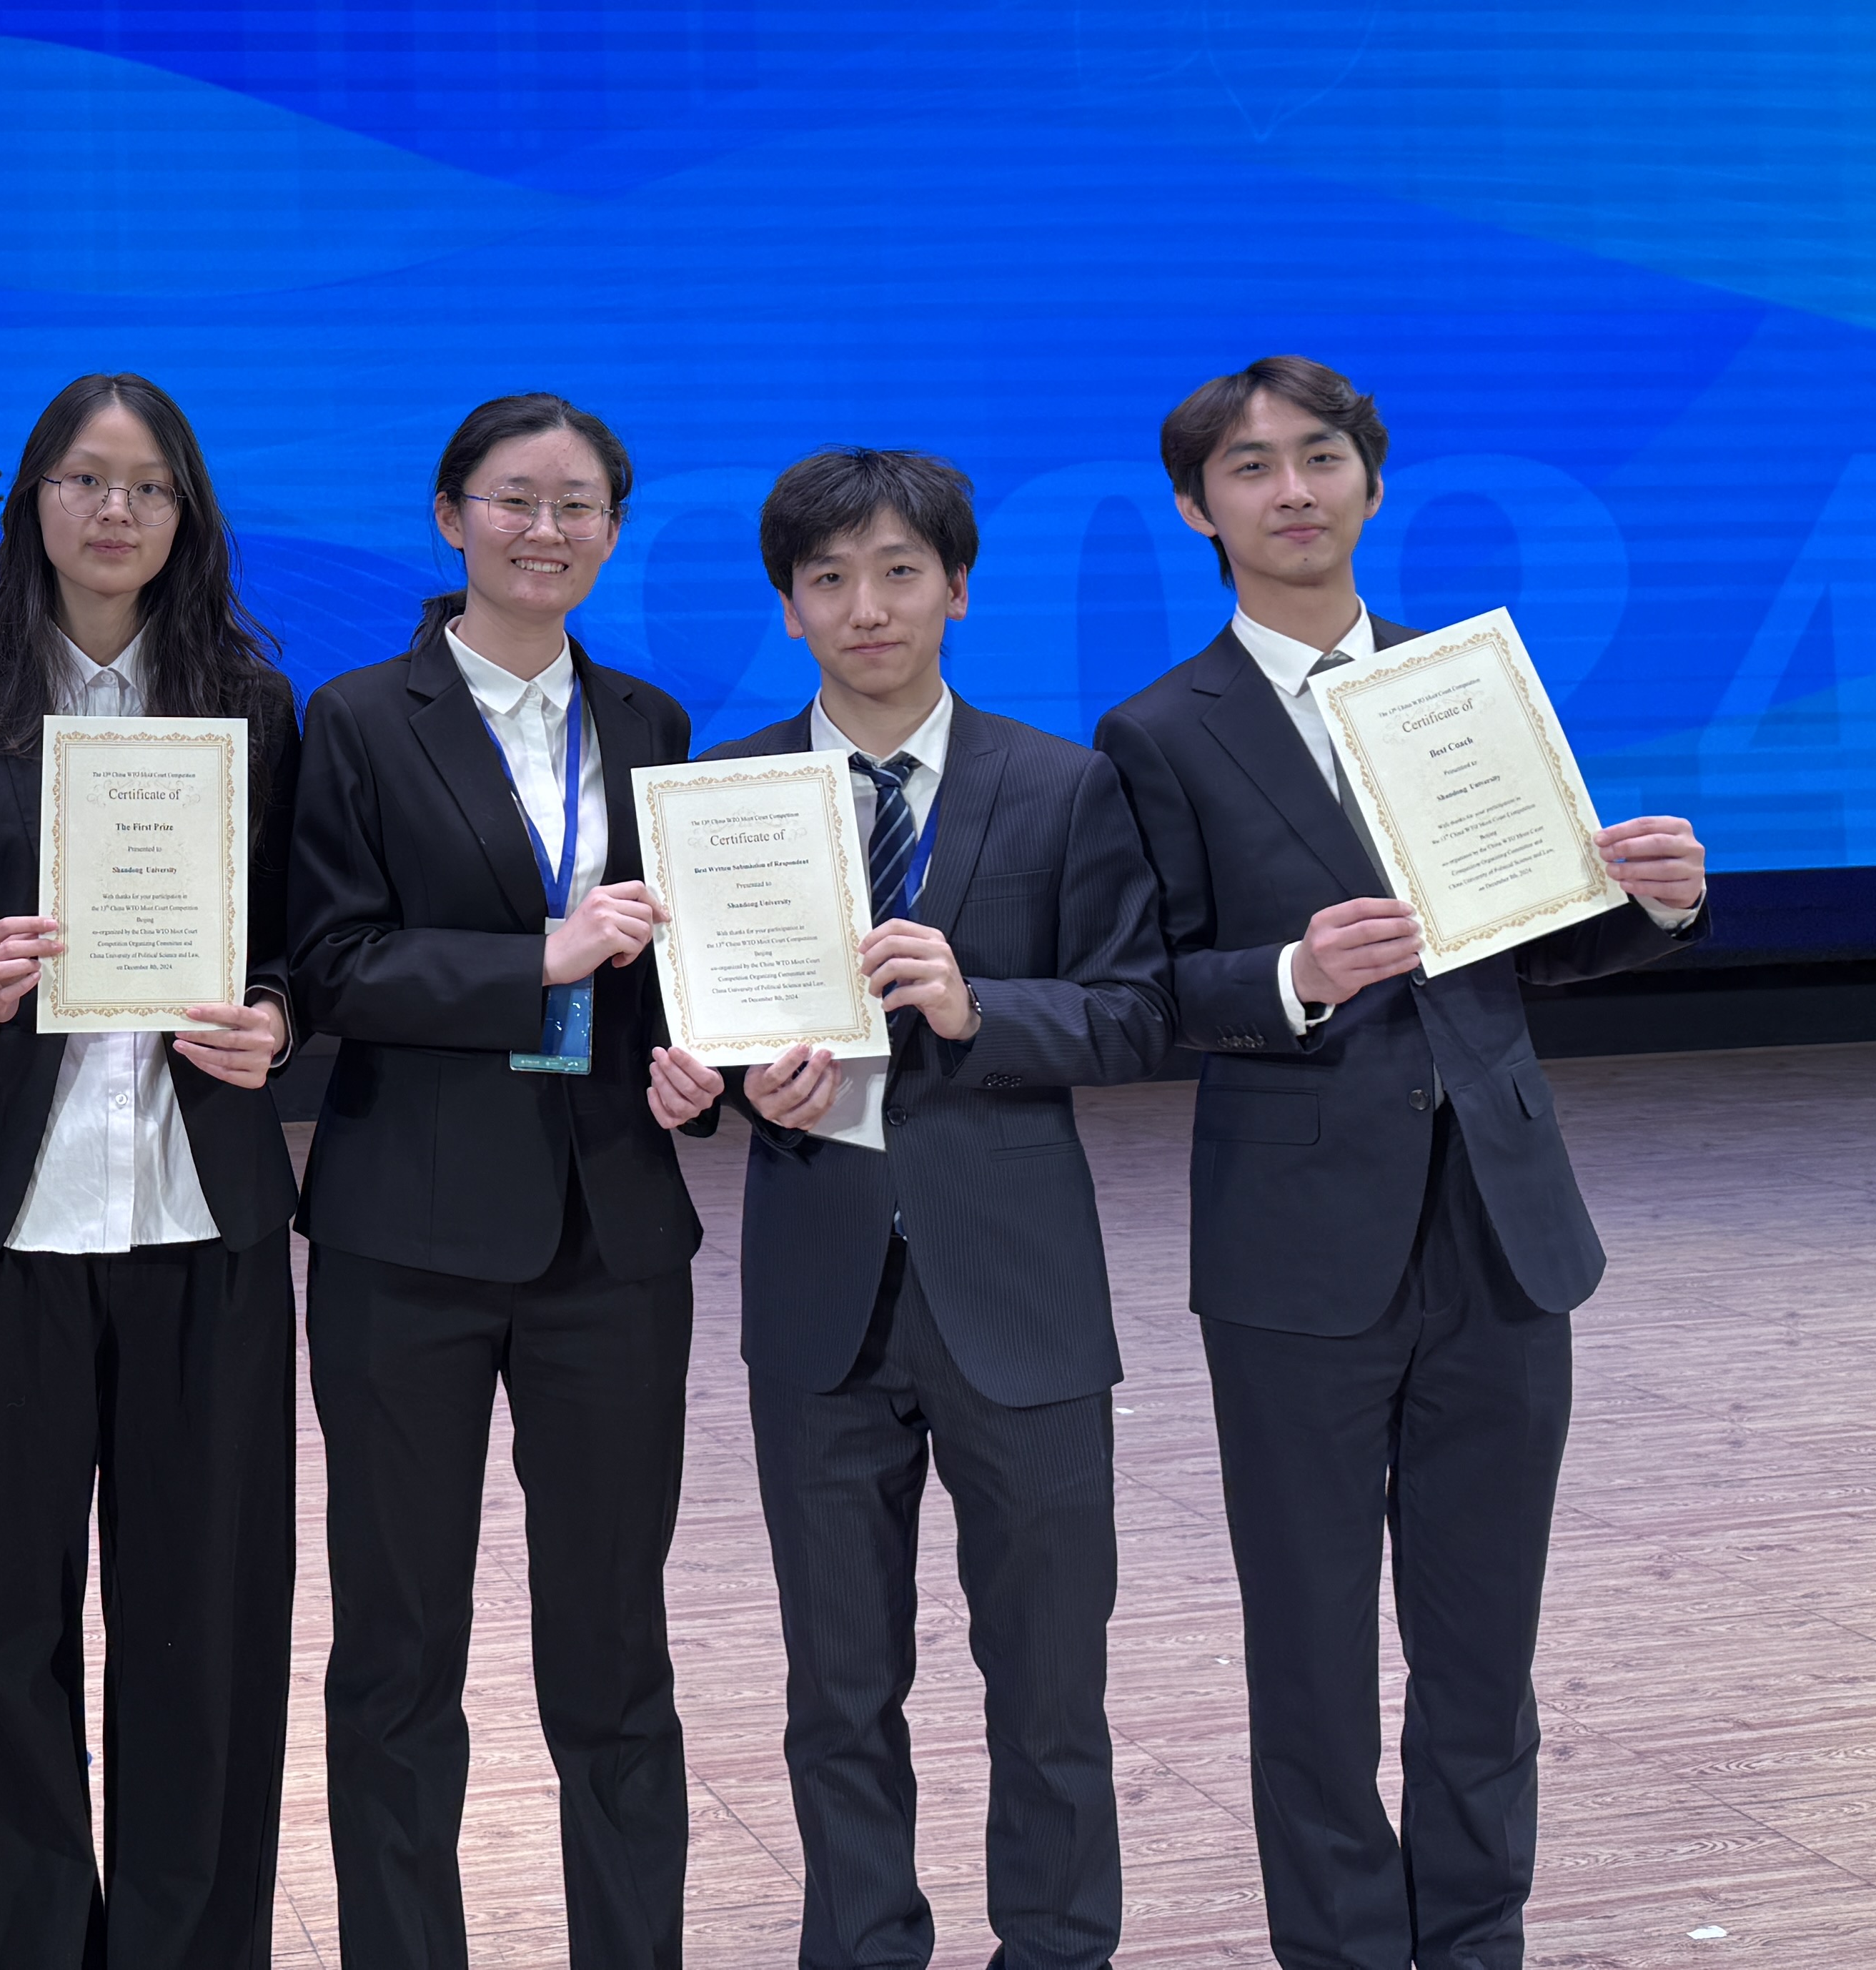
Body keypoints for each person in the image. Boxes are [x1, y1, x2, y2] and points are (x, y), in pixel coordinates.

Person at [1091, 359, 1710, 1970]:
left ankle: (1477, 1942)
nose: (1292, 490)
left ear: (1370, 480)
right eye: (1250, 468)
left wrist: (1646, 907)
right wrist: (1292, 977)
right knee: (1310, 1659)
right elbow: (1144, 990)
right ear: (1196, 508)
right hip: (1295, 1247)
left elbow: (1530, 942)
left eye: (1321, 457)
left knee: (1483, 1650)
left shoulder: (1467, 684)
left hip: (1503, 1228)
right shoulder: (1156, 731)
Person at [645, 451, 1171, 1970]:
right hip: (820, 1294)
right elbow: (692, 1031)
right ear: (789, 608)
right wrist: (720, 1086)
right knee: (837, 1689)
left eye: (897, 572)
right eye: (828, 580)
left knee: (1050, 1683)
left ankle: (1057, 1950)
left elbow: (1136, 1015)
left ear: (958, 588)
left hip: (1020, 1294)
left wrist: (976, 1006)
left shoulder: (1064, 783)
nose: (865, 607)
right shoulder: (724, 799)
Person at [0, 373, 303, 1970]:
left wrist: (276, 1015)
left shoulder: (254, 706)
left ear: (186, 514)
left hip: (205, 1219)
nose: (114, 510)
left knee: (204, 1631)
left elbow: (299, 943)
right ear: (33, 504)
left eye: (146, 485)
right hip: (11, 1221)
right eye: (82, 479)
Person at [289, 392, 700, 1970]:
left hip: (614, 1232)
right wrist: (538, 956)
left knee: (616, 1649)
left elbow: (669, 975)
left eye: (578, 503)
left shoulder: (654, 724)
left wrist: (699, 1071)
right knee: (400, 1653)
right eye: (515, 498)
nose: (546, 528)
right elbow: (333, 963)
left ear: (612, 530)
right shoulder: (356, 718)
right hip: (409, 1236)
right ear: (450, 515)